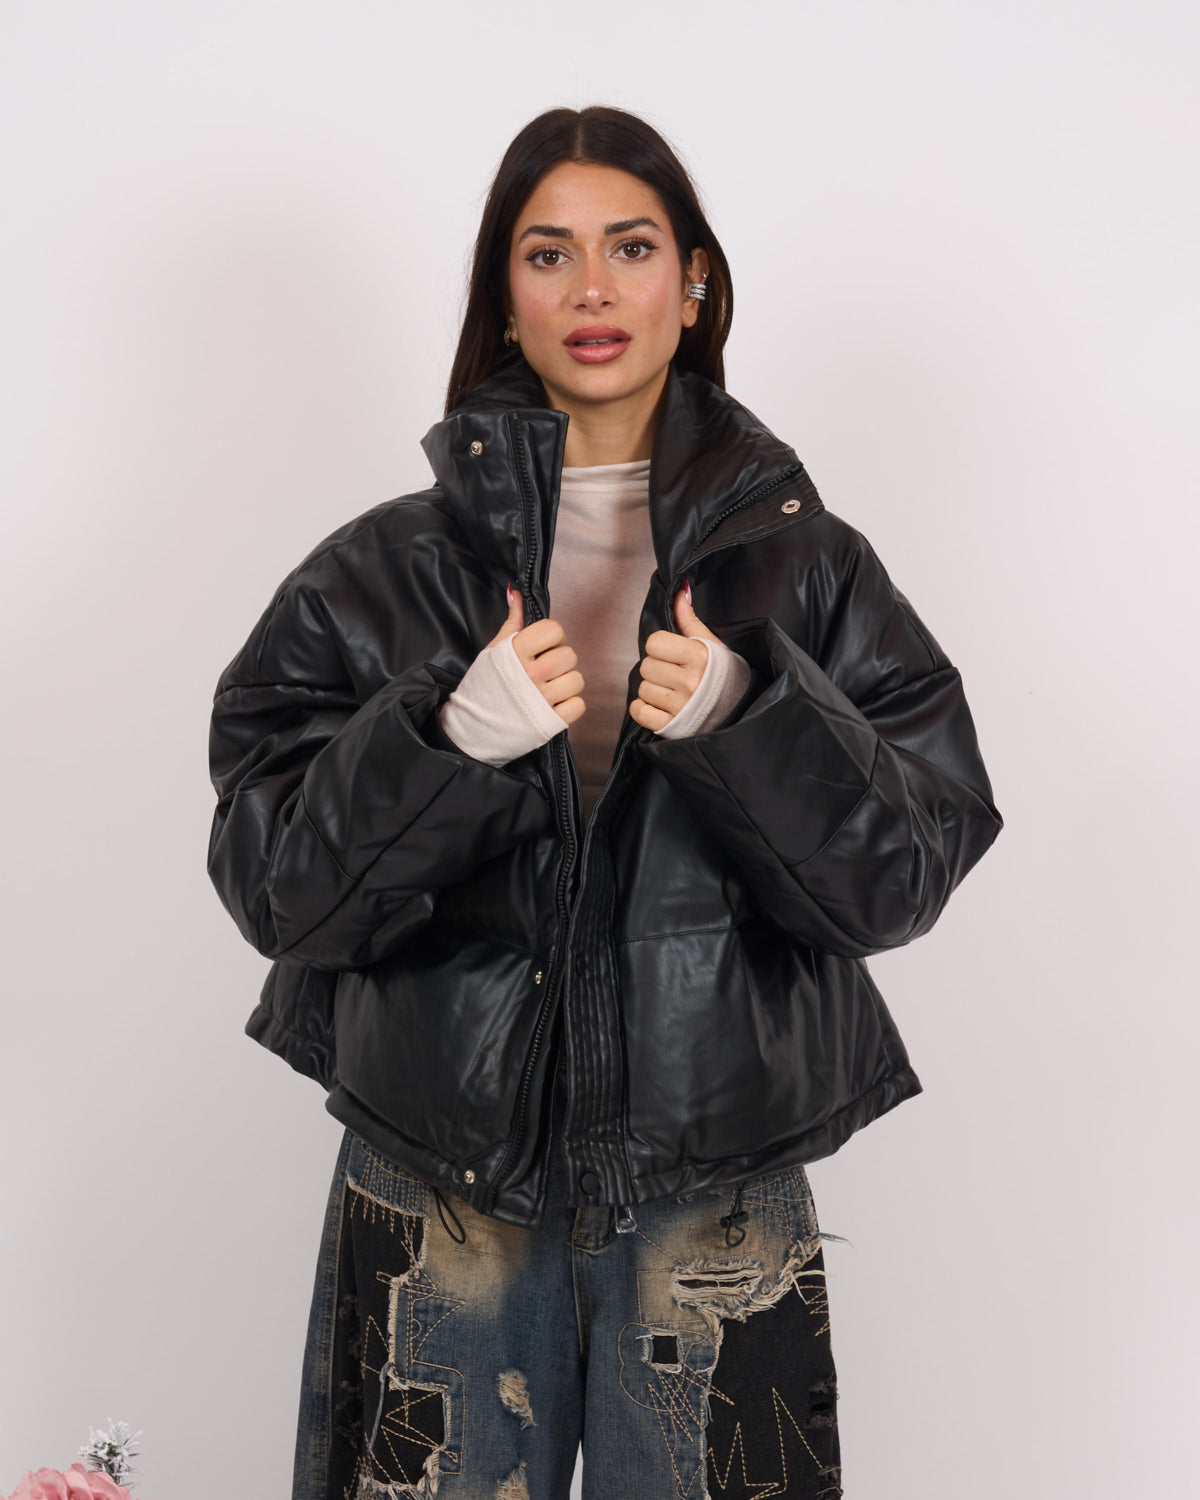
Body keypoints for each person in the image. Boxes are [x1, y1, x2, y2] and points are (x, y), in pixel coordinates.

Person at [206, 105, 1003, 1500]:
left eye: (631, 248)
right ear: (502, 297)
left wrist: (752, 718)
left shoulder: (810, 572)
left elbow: (901, 879)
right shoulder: (375, 575)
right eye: (547, 253)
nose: (591, 289)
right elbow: (279, 893)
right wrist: (447, 738)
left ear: (693, 283)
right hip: (442, 1181)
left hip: (714, 1187)